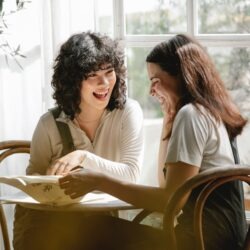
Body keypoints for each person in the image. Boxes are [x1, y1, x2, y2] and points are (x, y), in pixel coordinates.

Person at [60, 34, 248, 250]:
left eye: (155, 81)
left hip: (201, 242)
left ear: (182, 75)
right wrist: (168, 121)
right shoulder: (208, 112)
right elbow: (166, 186)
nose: (150, 91)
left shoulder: (191, 115)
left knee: (93, 230)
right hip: (225, 239)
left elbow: (170, 201)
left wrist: (99, 181)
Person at [13, 31, 144, 250]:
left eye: (109, 72)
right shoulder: (49, 124)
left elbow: (132, 174)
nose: (104, 83)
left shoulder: (128, 112)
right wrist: (46, 182)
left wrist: (82, 157)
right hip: (56, 227)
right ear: (74, 81)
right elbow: (33, 180)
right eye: (92, 75)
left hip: (104, 226)